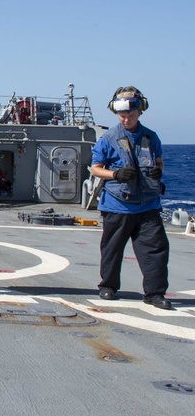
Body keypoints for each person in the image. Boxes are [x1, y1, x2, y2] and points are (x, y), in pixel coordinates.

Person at [89, 86, 171, 309]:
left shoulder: (150, 138)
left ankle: (155, 293)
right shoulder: (108, 139)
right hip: (118, 205)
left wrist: (158, 171)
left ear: (139, 113)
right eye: (122, 116)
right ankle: (108, 286)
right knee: (112, 249)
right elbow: (95, 168)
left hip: (148, 205)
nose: (126, 120)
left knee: (155, 250)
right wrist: (116, 174)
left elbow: (159, 161)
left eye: (131, 116)